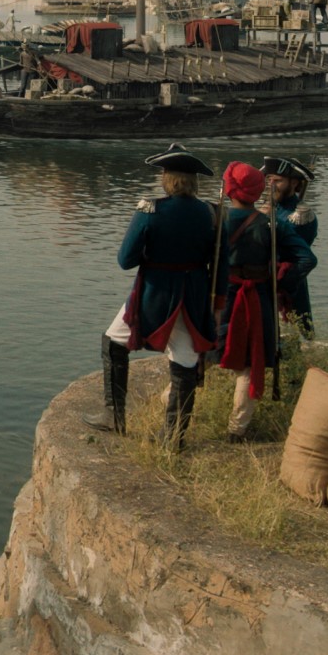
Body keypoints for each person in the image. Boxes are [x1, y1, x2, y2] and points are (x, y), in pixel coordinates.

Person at [88, 144, 220, 448]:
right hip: (194, 296)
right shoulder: (211, 212)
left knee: (113, 341)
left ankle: (114, 417)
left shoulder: (151, 209)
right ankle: (174, 438)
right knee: (186, 363)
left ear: (168, 179)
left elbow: (126, 260)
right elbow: (220, 261)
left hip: (154, 295)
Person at [216, 160, 316, 441]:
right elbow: (307, 259)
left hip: (222, 298)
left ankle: (171, 411)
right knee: (250, 362)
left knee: (199, 354)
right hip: (258, 298)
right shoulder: (270, 223)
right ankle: (236, 431)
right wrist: (277, 283)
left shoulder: (215, 218)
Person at [260, 156, 318, 336]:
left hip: (288, 281)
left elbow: (296, 255)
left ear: (294, 183)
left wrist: (282, 284)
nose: (272, 184)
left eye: (277, 180)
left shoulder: (301, 214)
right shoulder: (267, 207)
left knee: (290, 335)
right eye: (269, 179)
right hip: (264, 278)